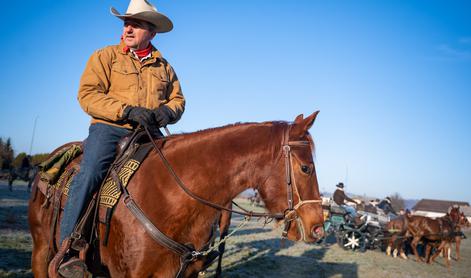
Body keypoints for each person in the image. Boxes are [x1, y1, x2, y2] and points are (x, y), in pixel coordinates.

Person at [56, 0, 185, 276]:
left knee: (175, 175)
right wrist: (125, 110)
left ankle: (175, 246)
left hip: (149, 132)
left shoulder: (165, 68)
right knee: (90, 172)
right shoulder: (105, 56)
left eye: (136, 24)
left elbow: (178, 101)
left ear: (152, 32)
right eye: (127, 23)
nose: (128, 28)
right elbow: (87, 95)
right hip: (109, 128)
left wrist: (165, 113)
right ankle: (67, 248)